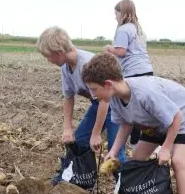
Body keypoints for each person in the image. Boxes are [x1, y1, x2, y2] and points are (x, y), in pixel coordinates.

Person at [82, 52, 185, 194]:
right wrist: (114, 151)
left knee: (177, 161)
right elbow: (125, 124)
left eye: (94, 89)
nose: (92, 95)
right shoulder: (115, 98)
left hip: (184, 116)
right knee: (138, 158)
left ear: (108, 84)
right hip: (156, 122)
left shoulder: (144, 93)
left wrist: (166, 148)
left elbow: (176, 117)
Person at [36, 26, 126, 163]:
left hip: (114, 106)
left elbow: (105, 101)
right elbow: (68, 97)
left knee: (115, 154)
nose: (49, 60)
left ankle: (123, 182)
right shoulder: (66, 68)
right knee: (80, 141)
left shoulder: (87, 63)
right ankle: (81, 179)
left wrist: (96, 134)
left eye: (48, 56)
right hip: (98, 105)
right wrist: (67, 128)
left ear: (59, 52)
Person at [103, 0, 154, 147]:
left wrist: (108, 48)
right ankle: (146, 139)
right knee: (144, 106)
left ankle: (134, 141)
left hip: (133, 73)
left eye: (116, 13)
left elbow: (121, 51)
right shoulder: (139, 29)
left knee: (131, 106)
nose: (115, 17)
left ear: (123, 12)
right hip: (146, 70)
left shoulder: (123, 29)